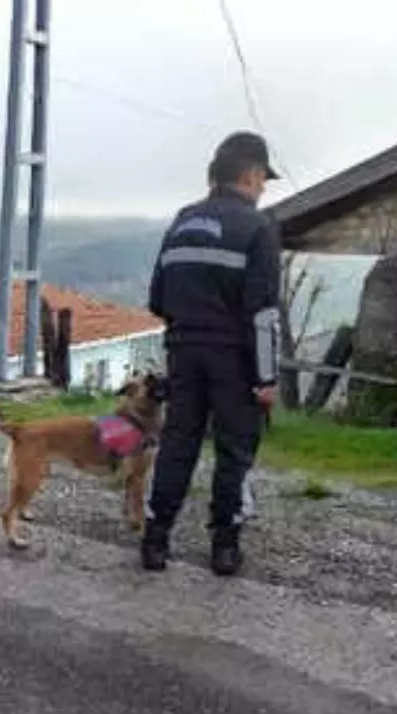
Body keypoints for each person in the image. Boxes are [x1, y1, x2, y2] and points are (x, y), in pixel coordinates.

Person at [141, 131, 281, 577]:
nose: (262, 189)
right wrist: (266, 379)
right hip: (235, 361)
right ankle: (224, 547)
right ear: (250, 174)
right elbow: (263, 315)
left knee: (177, 445)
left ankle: (155, 540)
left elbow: (157, 298)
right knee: (233, 451)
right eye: (263, 180)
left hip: (183, 351)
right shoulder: (258, 228)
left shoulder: (183, 220)